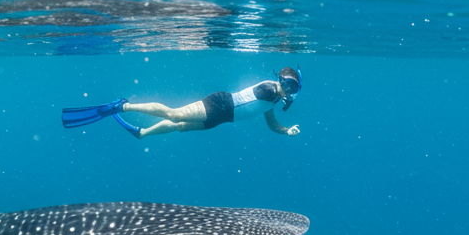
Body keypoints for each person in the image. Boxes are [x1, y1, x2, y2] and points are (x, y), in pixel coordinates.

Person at [61, 67, 303, 139]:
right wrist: (287, 96)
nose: (287, 89)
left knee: (180, 127)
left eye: (292, 88)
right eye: (287, 84)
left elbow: (272, 124)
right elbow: (271, 93)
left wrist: (286, 130)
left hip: (221, 118)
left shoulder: (273, 102)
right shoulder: (269, 89)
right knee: (175, 114)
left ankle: (142, 133)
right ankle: (122, 106)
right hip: (220, 104)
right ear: (279, 80)